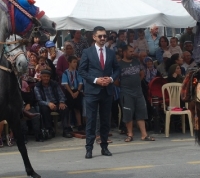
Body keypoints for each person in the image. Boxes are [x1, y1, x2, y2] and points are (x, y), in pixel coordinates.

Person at [78, 26, 120, 159]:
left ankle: (104, 147)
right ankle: (89, 148)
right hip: (92, 90)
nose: (103, 38)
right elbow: (82, 71)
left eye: (104, 36)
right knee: (91, 120)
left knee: (105, 120)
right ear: (94, 37)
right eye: (100, 36)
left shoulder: (111, 52)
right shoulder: (87, 52)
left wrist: (111, 79)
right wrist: (96, 80)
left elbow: (117, 69)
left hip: (107, 91)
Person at [116, 44, 154, 142]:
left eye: (133, 51)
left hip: (138, 91)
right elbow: (115, 80)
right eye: (130, 51)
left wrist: (137, 82)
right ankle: (130, 134)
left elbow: (142, 73)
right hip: (126, 92)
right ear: (124, 52)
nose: (133, 53)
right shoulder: (119, 64)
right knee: (128, 114)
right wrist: (123, 85)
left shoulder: (137, 62)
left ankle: (144, 135)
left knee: (141, 112)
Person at [34, 70, 72, 138]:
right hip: (46, 104)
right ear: (41, 77)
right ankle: (50, 130)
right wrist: (48, 104)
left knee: (65, 108)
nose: (46, 78)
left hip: (56, 103)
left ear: (50, 77)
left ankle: (66, 130)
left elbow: (61, 95)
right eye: (44, 76)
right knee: (44, 109)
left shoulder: (55, 84)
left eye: (47, 76)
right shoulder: (37, 86)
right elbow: (39, 100)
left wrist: (61, 102)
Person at [61, 56, 84, 131]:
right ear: (69, 63)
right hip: (69, 92)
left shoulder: (78, 72)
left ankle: (79, 124)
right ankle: (69, 125)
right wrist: (71, 93)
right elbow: (65, 84)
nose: (75, 64)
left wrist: (77, 91)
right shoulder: (65, 72)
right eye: (74, 62)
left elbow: (81, 82)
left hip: (77, 91)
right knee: (69, 109)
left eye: (76, 62)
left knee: (77, 108)